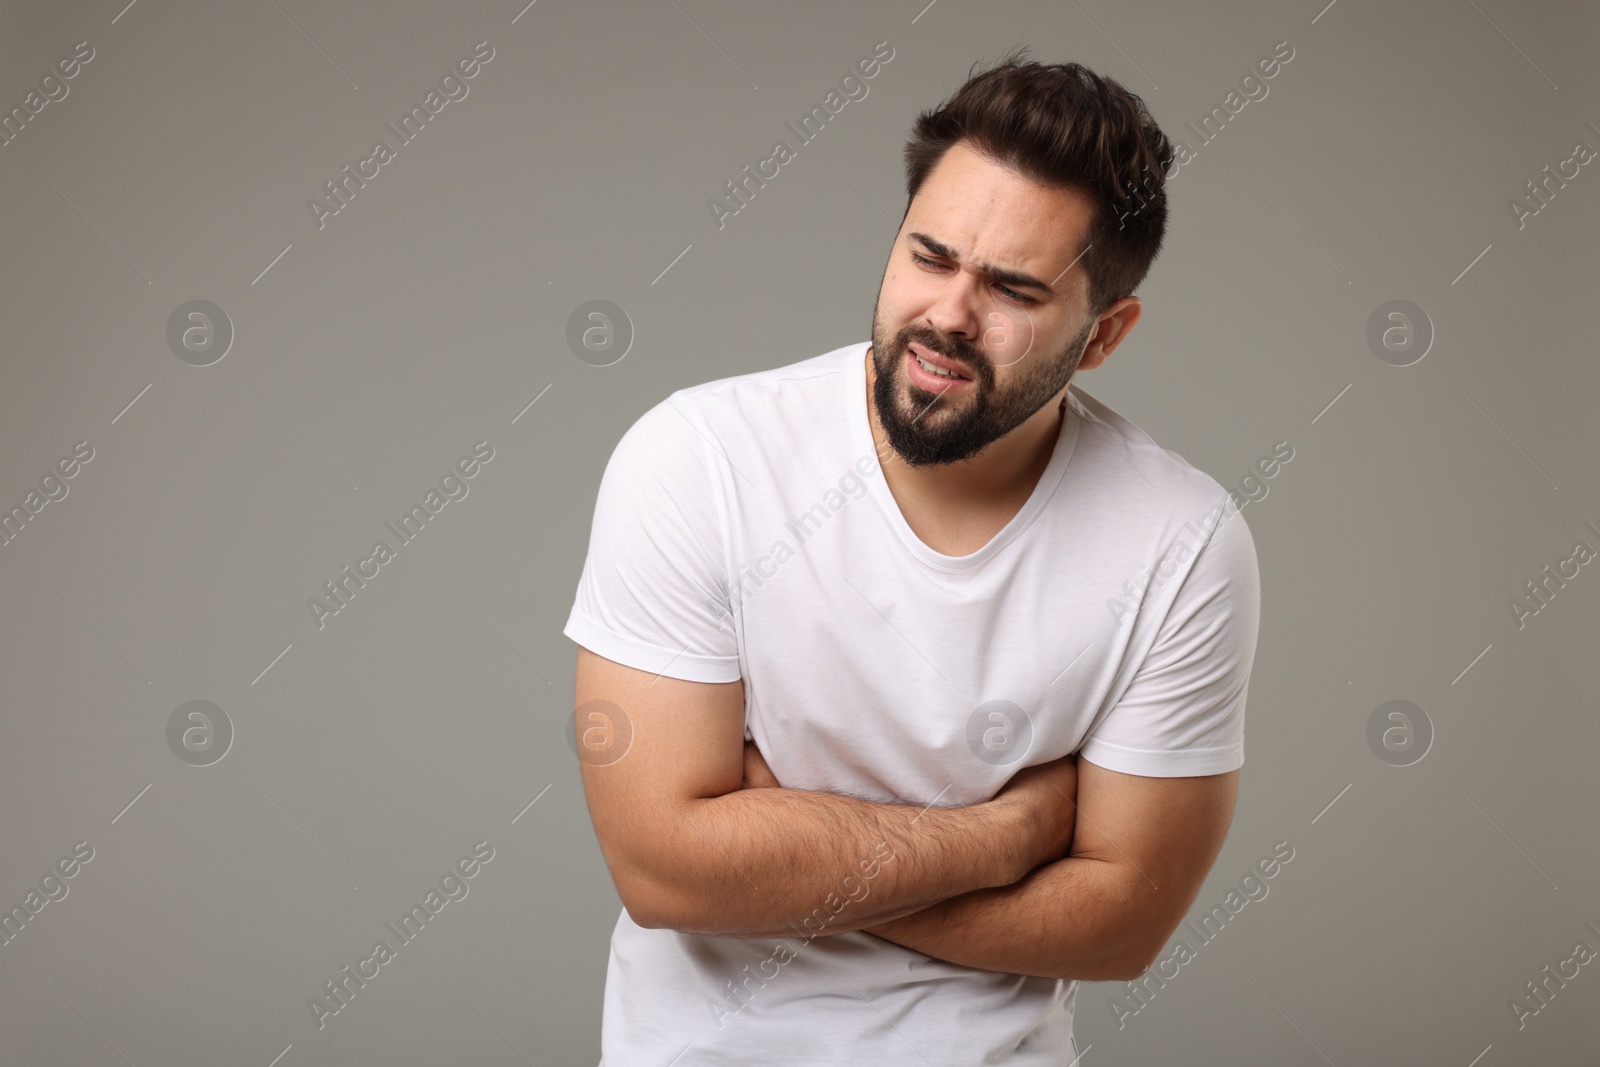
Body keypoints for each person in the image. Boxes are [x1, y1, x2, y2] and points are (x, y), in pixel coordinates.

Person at [563, 47, 1261, 1065]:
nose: (947, 314)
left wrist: (777, 859)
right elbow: (667, 872)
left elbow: (1122, 924)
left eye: (1013, 288)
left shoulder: (1181, 544)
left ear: (1104, 333)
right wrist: (1007, 838)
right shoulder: (698, 459)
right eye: (929, 255)